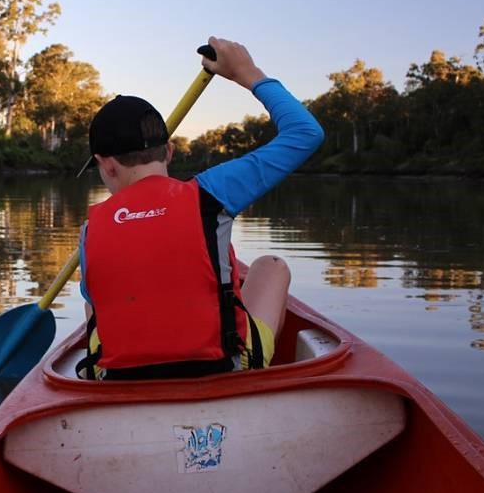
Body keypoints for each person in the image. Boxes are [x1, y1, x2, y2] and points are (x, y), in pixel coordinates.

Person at [76, 37, 324, 380]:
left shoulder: (91, 229)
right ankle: (254, 379)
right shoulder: (211, 193)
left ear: (106, 165)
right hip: (221, 370)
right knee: (270, 266)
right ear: (170, 152)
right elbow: (305, 132)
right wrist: (246, 73)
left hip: (120, 381)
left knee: (93, 297)